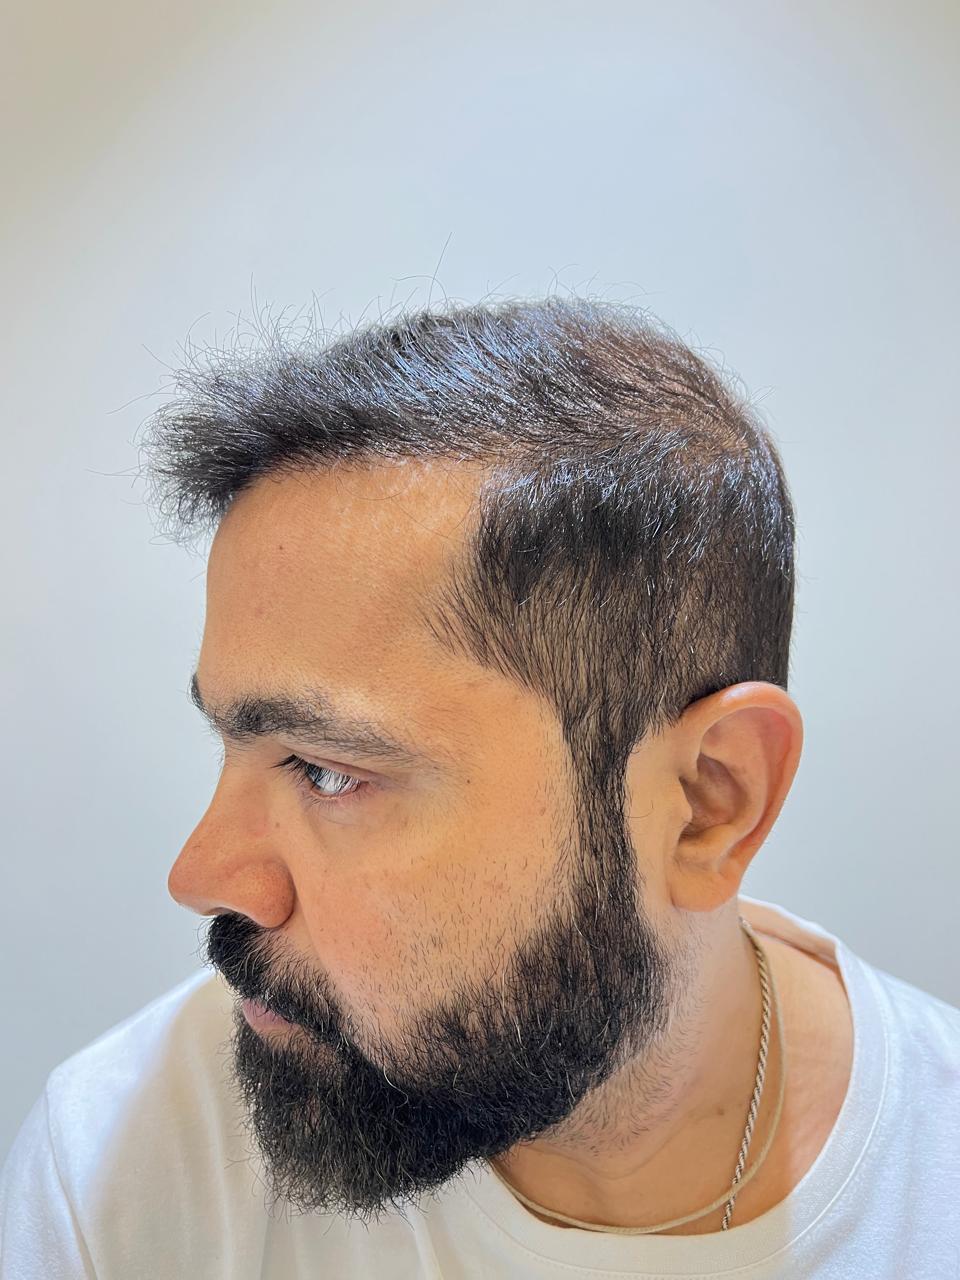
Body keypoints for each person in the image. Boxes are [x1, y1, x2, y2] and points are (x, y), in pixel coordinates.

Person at [2, 295, 958, 1279]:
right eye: (231, 742)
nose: (202, 875)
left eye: (328, 770)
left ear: (709, 803)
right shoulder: (121, 1177)